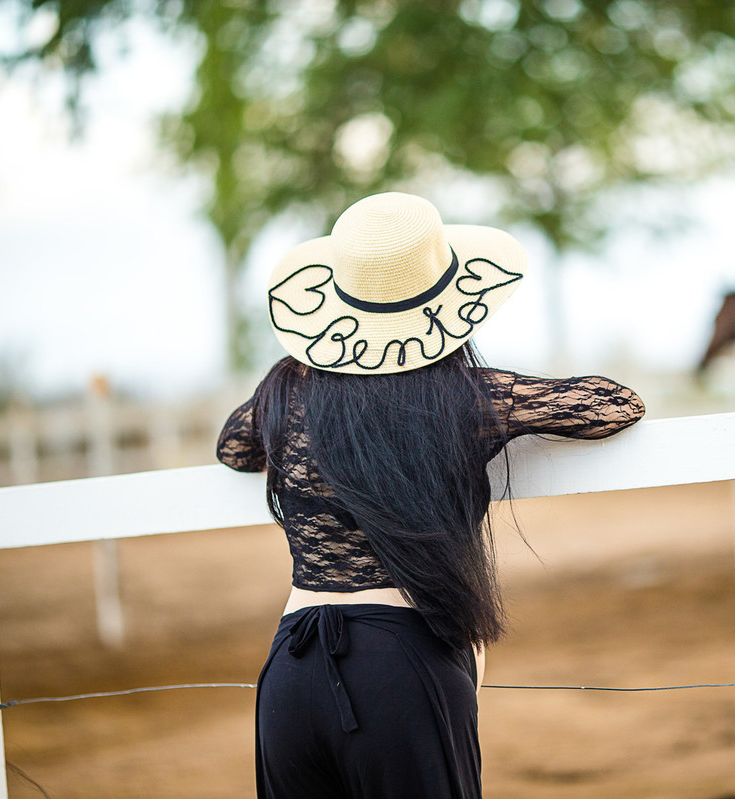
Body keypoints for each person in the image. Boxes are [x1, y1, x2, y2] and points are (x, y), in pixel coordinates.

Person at [216, 191, 645, 798]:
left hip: (290, 667)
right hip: (398, 667)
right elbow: (614, 405)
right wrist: (503, 399)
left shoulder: (288, 389)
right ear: (447, 300)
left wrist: (314, 380)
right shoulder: (462, 399)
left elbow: (233, 447)